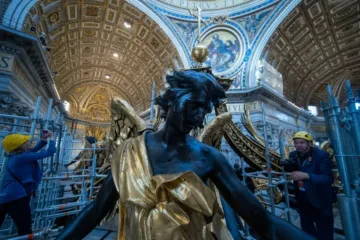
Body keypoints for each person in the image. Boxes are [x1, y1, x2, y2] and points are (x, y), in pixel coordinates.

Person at [56, 70, 314, 240]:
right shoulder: (128, 151)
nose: (200, 117)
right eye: (194, 106)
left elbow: (260, 217)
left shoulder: (209, 158)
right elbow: (95, 209)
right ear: (170, 103)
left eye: (204, 110)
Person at [0, 130, 56, 236]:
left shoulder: (16, 155)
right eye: (27, 141)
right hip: (16, 198)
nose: (30, 141)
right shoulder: (23, 157)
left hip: (4, 197)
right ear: (22, 147)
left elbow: (33, 150)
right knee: (25, 229)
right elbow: (50, 152)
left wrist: (44, 140)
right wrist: (52, 138)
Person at [281, 131, 334, 240]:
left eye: (302, 143)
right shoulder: (293, 155)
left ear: (309, 143)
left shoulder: (321, 155)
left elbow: (328, 178)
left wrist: (306, 176)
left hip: (320, 199)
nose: (298, 145)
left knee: (324, 230)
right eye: (296, 143)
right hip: (302, 198)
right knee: (307, 228)